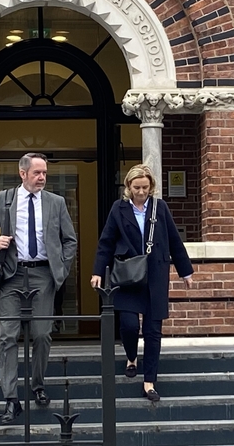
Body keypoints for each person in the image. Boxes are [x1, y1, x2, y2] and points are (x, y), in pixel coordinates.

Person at [0, 152, 77, 424]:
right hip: (11, 274)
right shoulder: (5, 199)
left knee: (42, 333)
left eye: (45, 173)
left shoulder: (56, 202)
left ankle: (38, 385)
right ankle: (11, 398)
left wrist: (60, 267)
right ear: (22, 173)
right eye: (37, 173)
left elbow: (70, 240)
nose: (42, 178)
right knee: (7, 335)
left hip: (43, 274)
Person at [90, 164, 193, 402]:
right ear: (128, 187)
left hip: (155, 275)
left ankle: (149, 382)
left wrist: (185, 271)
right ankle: (131, 357)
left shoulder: (160, 208)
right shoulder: (119, 209)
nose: (141, 192)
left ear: (151, 187)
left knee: (152, 331)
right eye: (136, 187)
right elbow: (106, 242)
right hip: (128, 275)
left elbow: (175, 241)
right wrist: (97, 272)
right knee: (127, 325)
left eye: (145, 187)